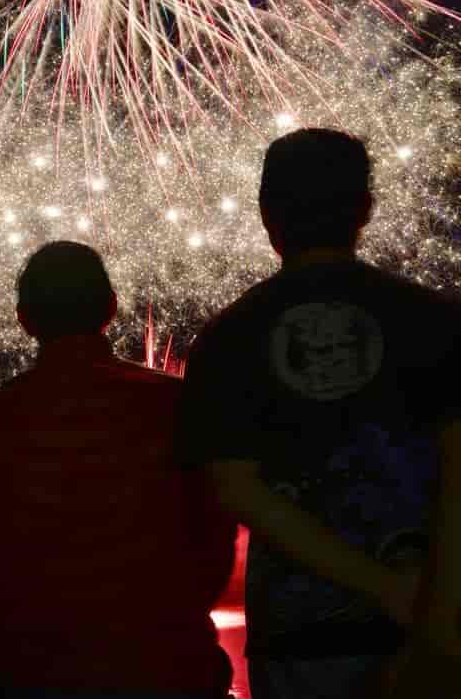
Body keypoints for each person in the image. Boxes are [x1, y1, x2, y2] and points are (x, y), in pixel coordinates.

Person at [175, 128, 461, 699]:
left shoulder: (228, 338)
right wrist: (435, 618)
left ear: (265, 214)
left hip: (300, 639)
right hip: (434, 626)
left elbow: (237, 491)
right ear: (365, 208)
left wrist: (381, 587)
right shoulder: (436, 321)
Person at [0, 241, 237, 698]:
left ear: (23, 319)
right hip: (170, 665)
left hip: (41, 675)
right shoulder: (178, 404)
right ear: (111, 307)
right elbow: (215, 533)